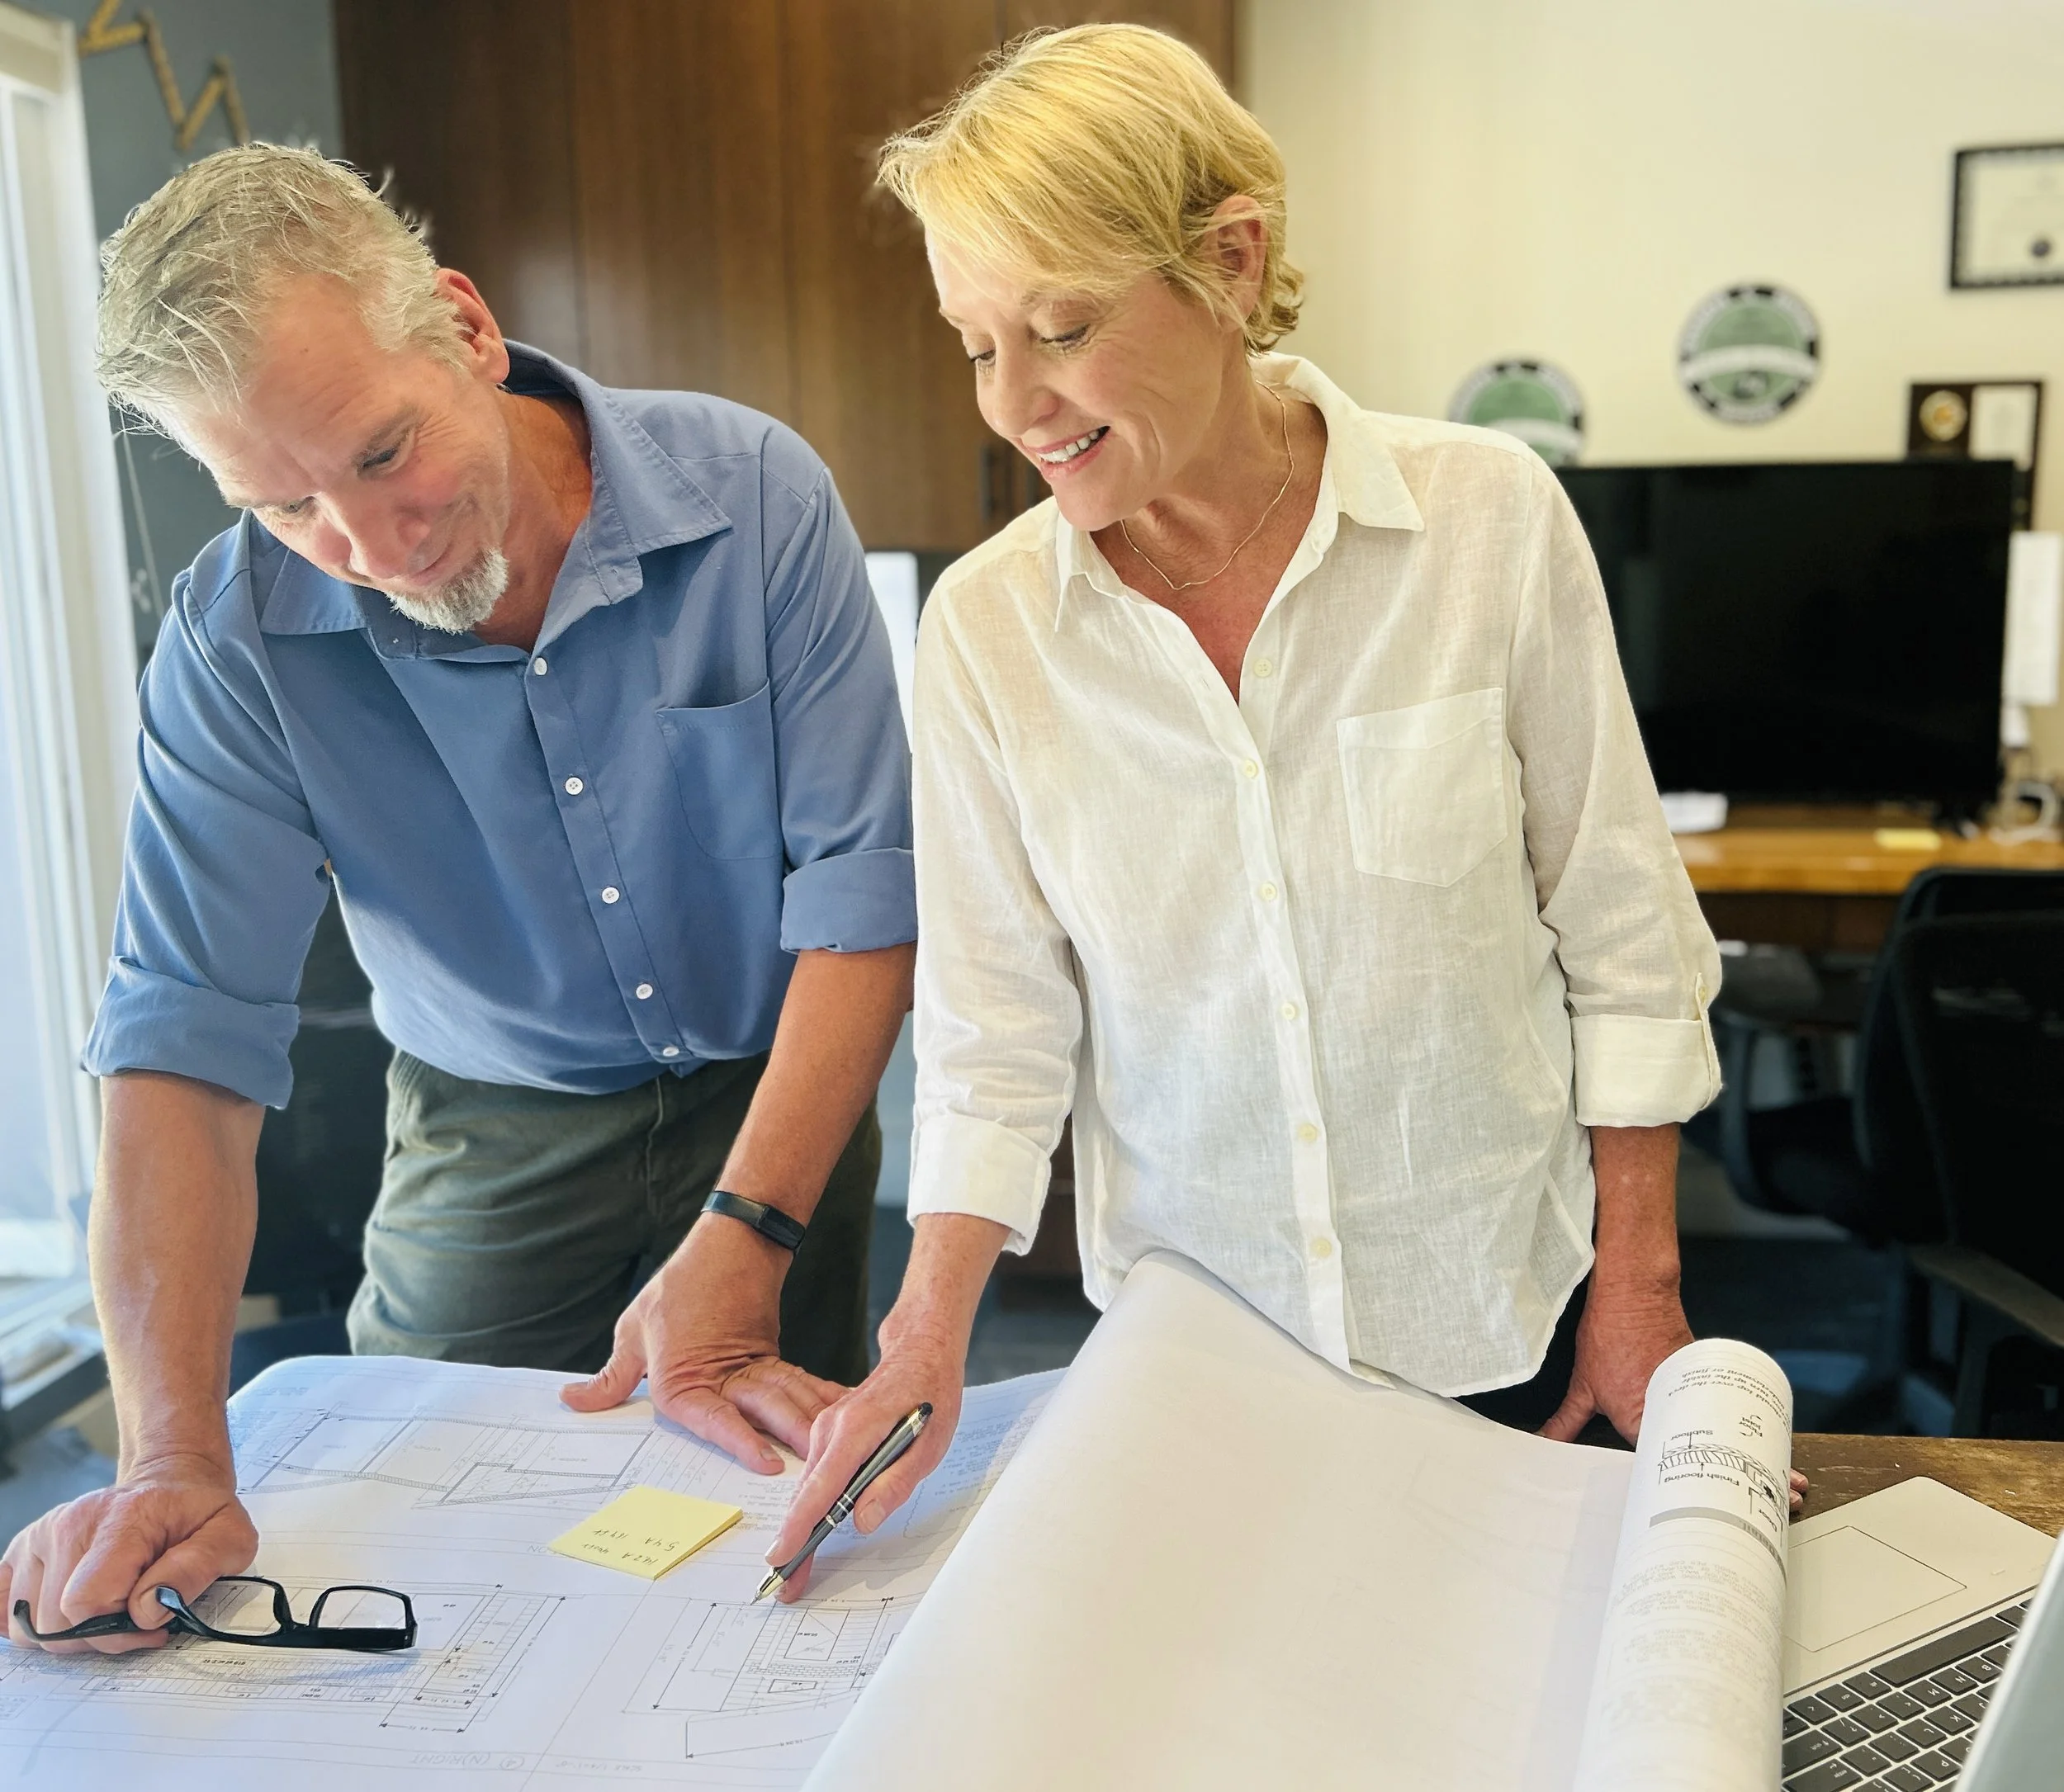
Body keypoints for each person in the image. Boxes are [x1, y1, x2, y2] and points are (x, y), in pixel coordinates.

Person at [769, 24, 1741, 1593]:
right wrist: (924, 1331)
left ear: (1229, 261)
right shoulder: (991, 629)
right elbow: (995, 1029)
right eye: (973, 341)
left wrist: (1641, 1278)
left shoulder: (1488, 522)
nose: (1010, 400)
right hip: (1197, 1372)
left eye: (1063, 327)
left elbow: (1626, 939)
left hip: (1503, 1323)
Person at [2, 145, 913, 1653]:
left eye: (378, 454)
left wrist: (748, 1227)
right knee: (421, 1535)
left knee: (768, 1545)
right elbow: (178, 1049)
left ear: (467, 330)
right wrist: (168, 1453)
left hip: (781, 1095)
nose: (367, 549)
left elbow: (860, 900)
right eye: (283, 506)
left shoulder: (755, 498)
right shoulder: (235, 646)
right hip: (489, 1122)